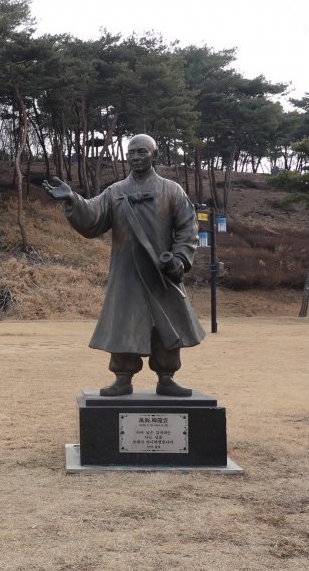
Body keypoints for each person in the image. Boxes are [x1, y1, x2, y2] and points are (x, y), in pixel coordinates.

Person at [43, 134, 205, 396]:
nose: (135, 157)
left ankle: (166, 376)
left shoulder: (172, 191)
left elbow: (188, 227)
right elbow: (93, 216)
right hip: (126, 273)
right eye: (131, 153)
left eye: (141, 152)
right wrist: (72, 199)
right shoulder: (115, 192)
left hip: (159, 272)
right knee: (122, 323)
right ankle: (122, 377)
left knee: (165, 325)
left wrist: (179, 258)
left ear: (154, 155)